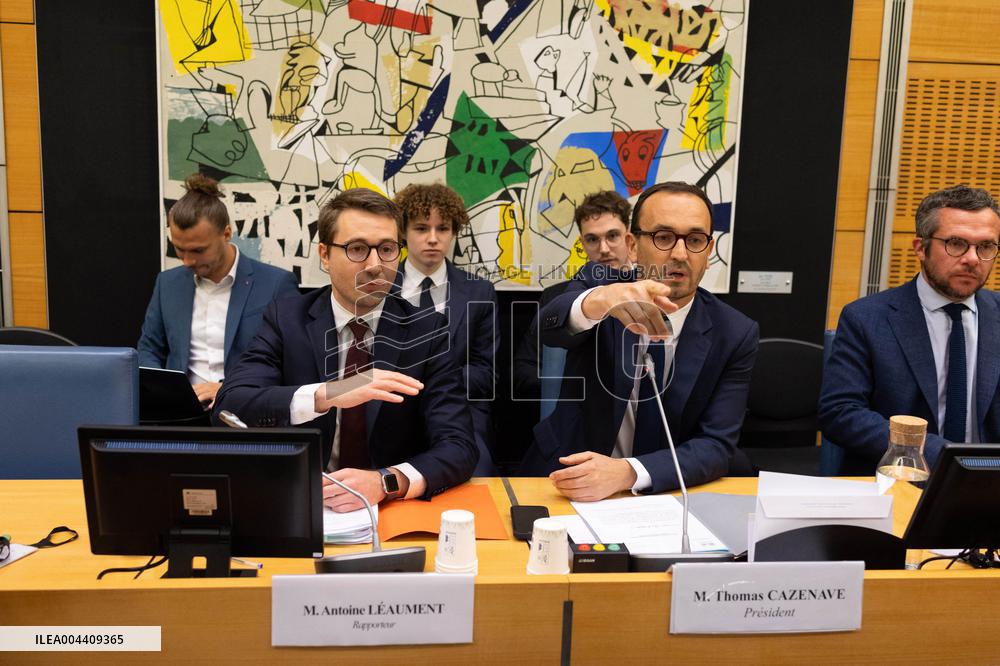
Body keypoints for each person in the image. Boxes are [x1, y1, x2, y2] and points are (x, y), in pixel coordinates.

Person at [214, 188, 478, 510]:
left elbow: (459, 445)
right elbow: (231, 405)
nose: (374, 265)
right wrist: (332, 392)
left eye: (386, 249)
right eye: (356, 249)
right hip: (300, 496)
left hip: (390, 506)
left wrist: (386, 481)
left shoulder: (429, 330)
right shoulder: (286, 319)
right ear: (325, 255)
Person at [519, 181, 759, 501]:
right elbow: (549, 326)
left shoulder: (734, 332)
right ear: (632, 246)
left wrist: (629, 471)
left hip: (666, 488)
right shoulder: (598, 284)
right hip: (568, 473)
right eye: (663, 237)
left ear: (709, 251)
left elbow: (716, 444)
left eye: (695, 239)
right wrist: (602, 300)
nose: (679, 254)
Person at [819, 185, 1000, 473]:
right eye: (956, 243)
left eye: (986, 247)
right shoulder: (866, 318)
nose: (972, 259)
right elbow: (840, 413)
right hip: (899, 480)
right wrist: (937, 453)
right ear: (920, 248)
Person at [138, 174, 299, 407]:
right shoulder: (167, 283)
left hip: (246, 411)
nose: (186, 261)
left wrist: (228, 389)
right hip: (180, 413)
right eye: (179, 249)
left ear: (226, 233)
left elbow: (291, 361)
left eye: (198, 250)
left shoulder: (276, 284)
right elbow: (148, 348)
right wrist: (169, 392)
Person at [393, 183, 500, 475]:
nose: (433, 239)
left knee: (477, 471)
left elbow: (486, 374)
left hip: (460, 410)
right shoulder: (379, 289)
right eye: (421, 228)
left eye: (442, 229)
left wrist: (435, 380)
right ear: (402, 232)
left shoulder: (479, 292)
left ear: (453, 232)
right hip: (393, 409)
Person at [514, 190, 636, 399]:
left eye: (613, 236)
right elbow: (525, 371)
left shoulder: (651, 289)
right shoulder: (554, 298)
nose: (604, 248)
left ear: (629, 237)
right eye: (592, 239)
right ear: (582, 244)